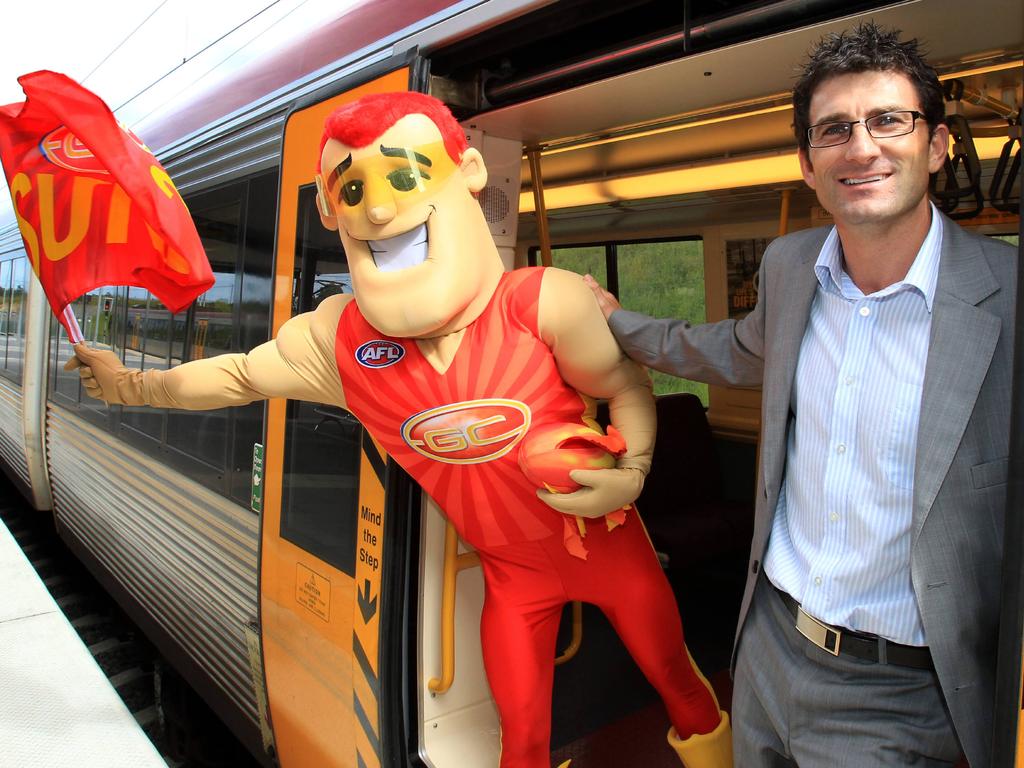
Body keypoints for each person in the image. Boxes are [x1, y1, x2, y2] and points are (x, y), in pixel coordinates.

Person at [66, 92, 731, 768]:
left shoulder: (542, 302)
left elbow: (626, 387)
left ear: (466, 171)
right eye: (353, 189)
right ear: (330, 210)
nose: (379, 209)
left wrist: (633, 472)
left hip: (615, 551)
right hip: (514, 580)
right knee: (522, 738)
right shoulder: (341, 343)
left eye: (404, 176)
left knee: (678, 683)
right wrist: (131, 385)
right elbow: (238, 376)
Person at [585, 22, 1015, 768]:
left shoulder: (1008, 300)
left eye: (889, 120)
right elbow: (726, 348)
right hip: (767, 647)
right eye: (834, 130)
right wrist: (616, 323)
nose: (861, 146)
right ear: (808, 166)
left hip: (904, 694)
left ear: (937, 145)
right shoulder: (790, 266)